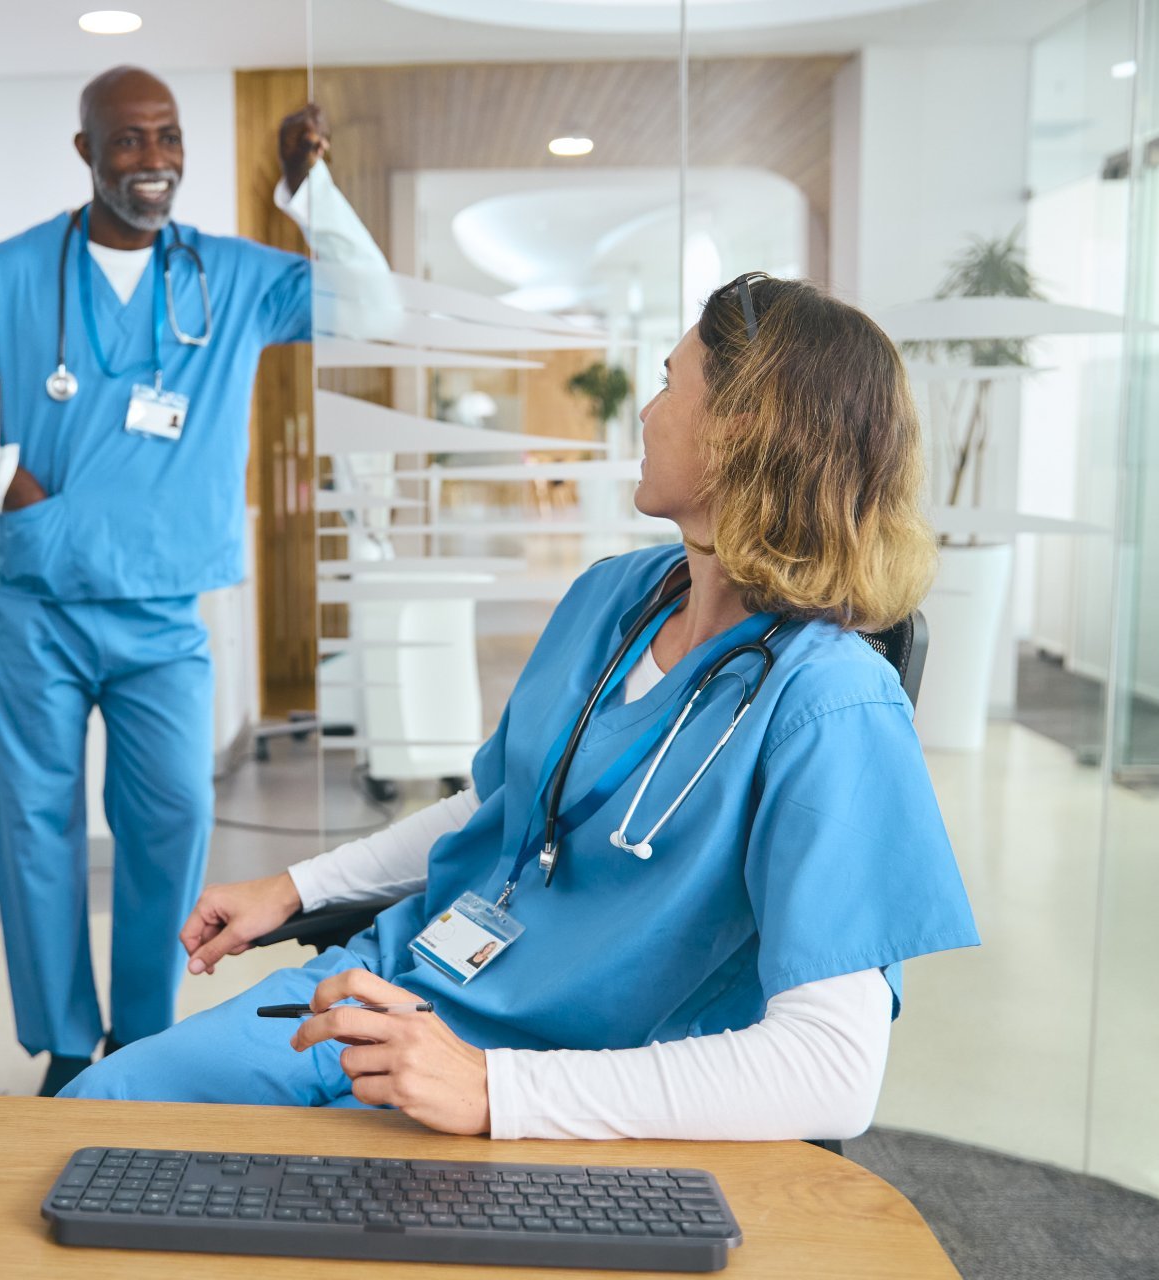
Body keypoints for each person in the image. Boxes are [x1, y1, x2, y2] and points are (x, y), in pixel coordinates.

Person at [62, 272, 981, 1141]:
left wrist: (494, 1088)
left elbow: (833, 1067)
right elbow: (502, 807)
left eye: (670, 386)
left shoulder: (831, 706)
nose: (648, 414)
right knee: (95, 1115)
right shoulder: (616, 599)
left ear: (741, 432)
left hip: (554, 1085)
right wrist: (297, 888)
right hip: (386, 991)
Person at [0, 67, 392, 1096]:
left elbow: (370, 308)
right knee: (35, 827)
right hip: (37, 602)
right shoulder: (13, 272)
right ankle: (67, 1042)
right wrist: (1, 479)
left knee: (169, 821)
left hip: (165, 610)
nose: (151, 160)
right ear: (86, 152)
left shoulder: (233, 275)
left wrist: (313, 193)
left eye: (166, 138)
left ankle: (143, 1031)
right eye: (126, 141)